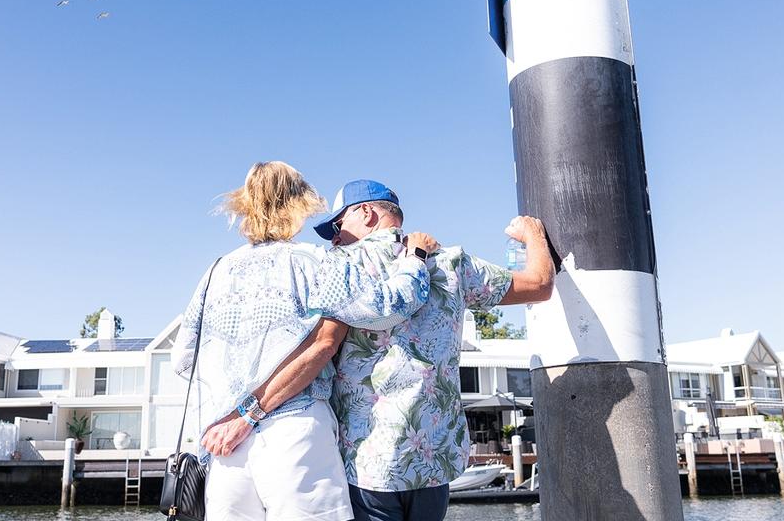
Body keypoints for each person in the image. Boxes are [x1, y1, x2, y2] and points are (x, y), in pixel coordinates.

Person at [201, 178, 556, 521]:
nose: (336, 238)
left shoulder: (339, 265)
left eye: (338, 226)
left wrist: (247, 412)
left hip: (368, 462)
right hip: (435, 461)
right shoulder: (451, 263)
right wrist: (532, 234)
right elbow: (540, 285)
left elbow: (322, 344)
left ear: (367, 213)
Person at [172, 162, 440, 521]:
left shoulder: (216, 271)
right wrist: (416, 259)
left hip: (224, 442)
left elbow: (182, 360)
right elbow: (387, 308)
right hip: (293, 430)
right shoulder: (315, 262)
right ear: (300, 204)